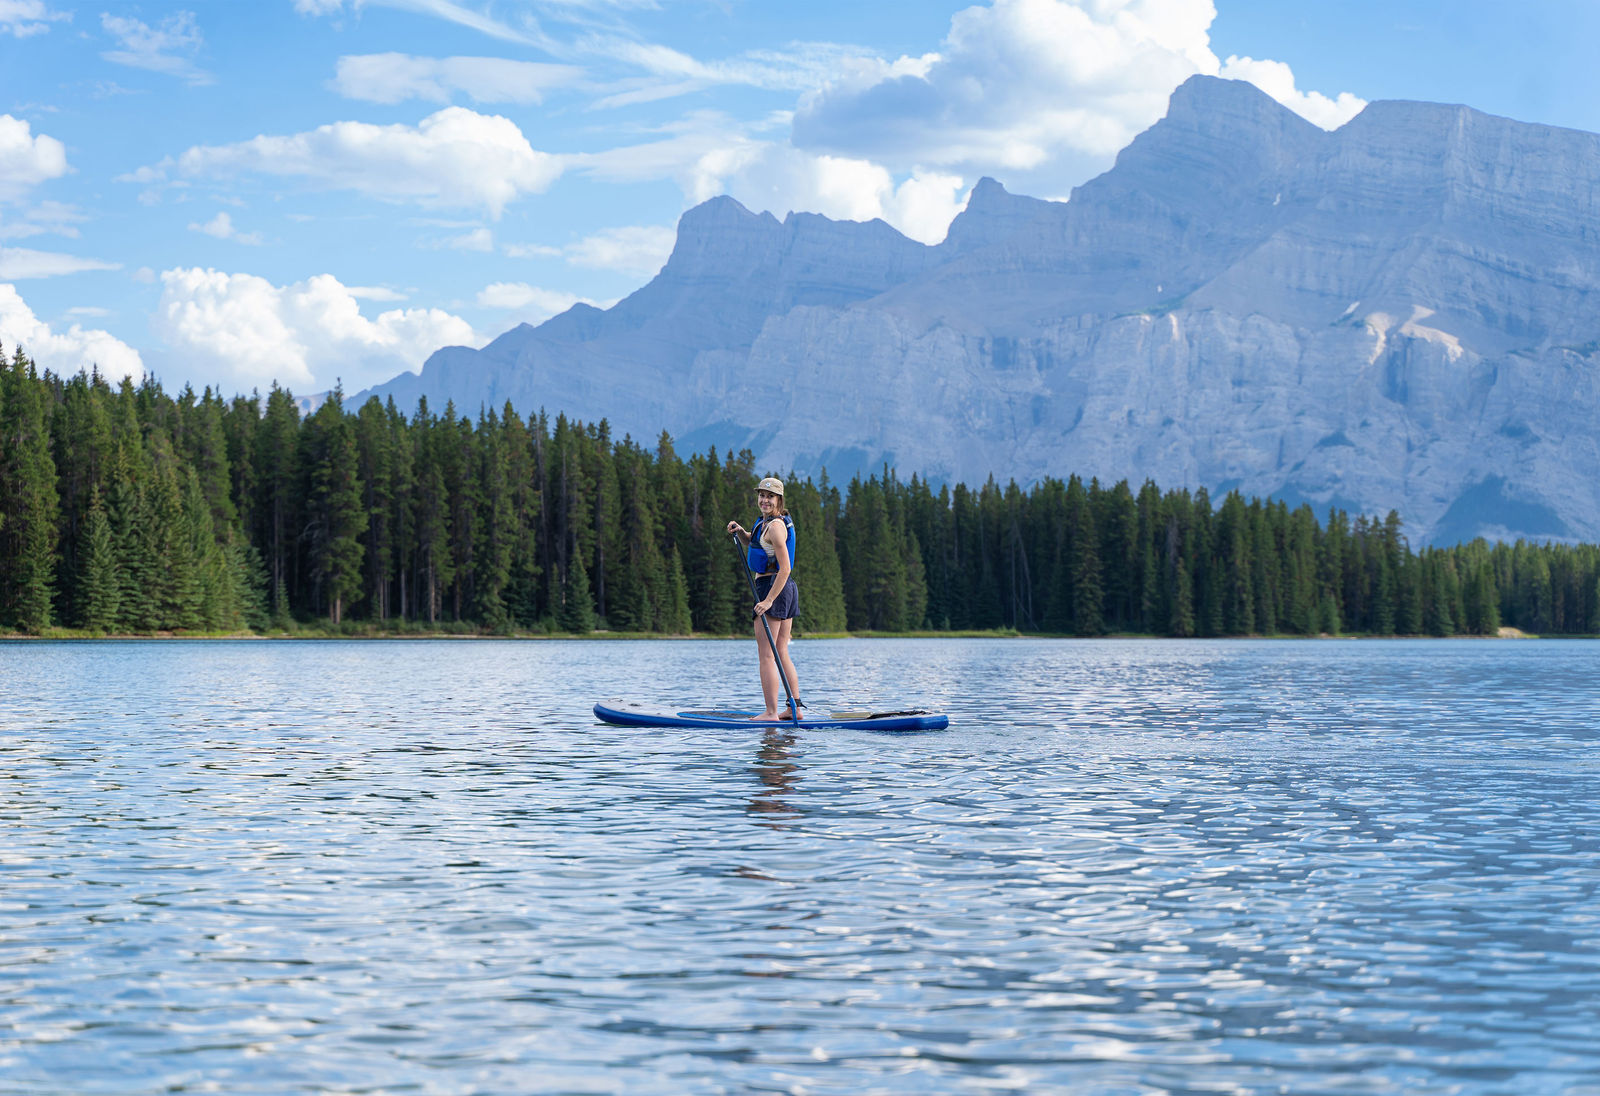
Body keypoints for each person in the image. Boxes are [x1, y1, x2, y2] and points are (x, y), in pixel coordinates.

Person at [726, 477, 802, 721]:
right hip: (785, 590)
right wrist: (742, 534)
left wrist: (768, 600)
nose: (764, 500)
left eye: (770, 496)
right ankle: (794, 708)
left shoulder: (776, 527)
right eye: (761, 495)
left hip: (774, 587)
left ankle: (771, 712)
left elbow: (785, 567)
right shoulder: (766, 524)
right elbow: (759, 545)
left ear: (779, 499)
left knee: (767, 654)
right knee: (780, 651)